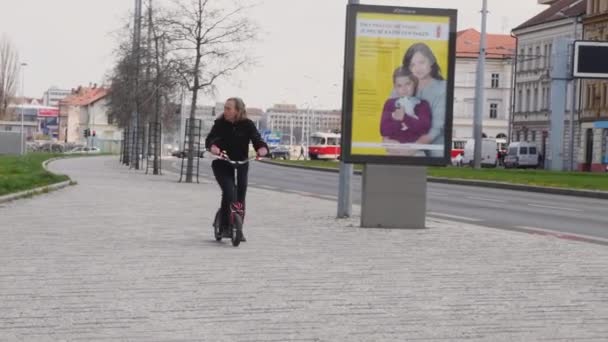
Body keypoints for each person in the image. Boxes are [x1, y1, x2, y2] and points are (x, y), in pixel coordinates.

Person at [205, 97, 268, 242]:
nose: (225, 111)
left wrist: (262, 148)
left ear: (237, 111)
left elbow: (256, 138)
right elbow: (211, 138)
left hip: (241, 162)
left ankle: (238, 227)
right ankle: (225, 226)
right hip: (222, 162)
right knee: (229, 191)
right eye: (225, 108)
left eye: (228, 108)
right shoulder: (220, 124)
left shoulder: (247, 124)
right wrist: (213, 147)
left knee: (241, 192)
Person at [393, 43, 447, 158]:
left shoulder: (442, 88)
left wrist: (411, 149)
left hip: (434, 147)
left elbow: (436, 128)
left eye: (422, 62)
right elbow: (388, 116)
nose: (417, 68)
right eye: (412, 65)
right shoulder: (401, 86)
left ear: (431, 61)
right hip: (403, 143)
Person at [380, 68, 431, 150]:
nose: (404, 89)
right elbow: (384, 130)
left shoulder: (422, 104)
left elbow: (424, 129)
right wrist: (397, 121)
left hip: (415, 152)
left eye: (407, 84)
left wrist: (404, 117)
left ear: (414, 84)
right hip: (394, 151)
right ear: (395, 88)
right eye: (399, 86)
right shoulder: (390, 104)